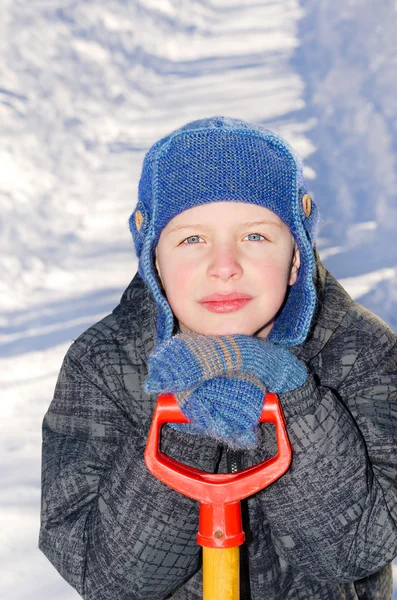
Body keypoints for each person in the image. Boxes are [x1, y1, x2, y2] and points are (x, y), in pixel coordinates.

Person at [39, 116, 397, 599]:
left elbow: (356, 550)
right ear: (153, 257)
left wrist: (290, 394)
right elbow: (112, 581)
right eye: (191, 239)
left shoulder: (359, 352)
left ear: (297, 255)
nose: (224, 267)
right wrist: (183, 429)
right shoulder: (105, 365)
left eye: (255, 237)